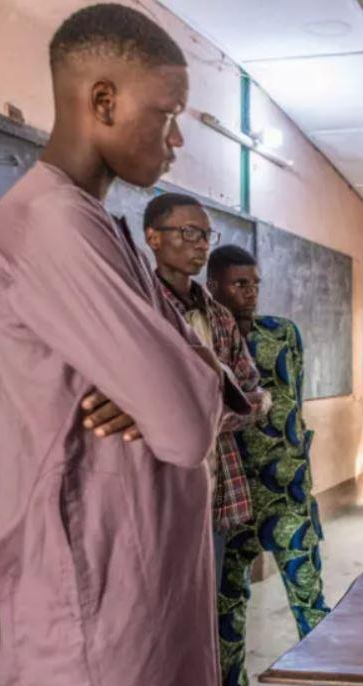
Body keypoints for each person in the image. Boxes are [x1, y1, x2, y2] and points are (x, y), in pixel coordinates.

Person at [0, 4, 250, 686]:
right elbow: (184, 426)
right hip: (95, 611)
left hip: (144, 589)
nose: (174, 141)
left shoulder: (103, 229)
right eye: (166, 114)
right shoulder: (51, 224)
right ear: (102, 101)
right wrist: (174, 382)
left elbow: (207, 379)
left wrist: (173, 375)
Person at [208, 245, 336, 686]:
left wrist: (297, 460)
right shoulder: (203, 343)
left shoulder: (283, 334)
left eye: (255, 283)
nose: (251, 292)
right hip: (230, 500)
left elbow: (293, 403)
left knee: (309, 597)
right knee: (226, 609)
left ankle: (330, 685)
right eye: (239, 284)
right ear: (213, 287)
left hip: (287, 494)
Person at [144, 193, 271, 584]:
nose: (201, 243)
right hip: (154, 482)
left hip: (215, 485)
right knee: (156, 598)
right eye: (188, 232)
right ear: (153, 238)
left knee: (206, 599)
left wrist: (203, 413)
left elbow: (252, 392)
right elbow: (146, 402)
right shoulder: (138, 308)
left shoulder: (217, 316)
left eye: (206, 234)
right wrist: (226, 407)